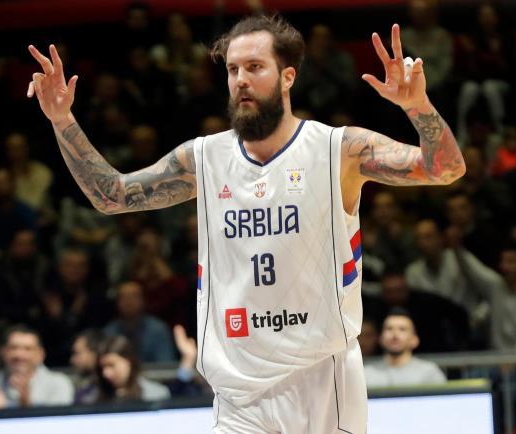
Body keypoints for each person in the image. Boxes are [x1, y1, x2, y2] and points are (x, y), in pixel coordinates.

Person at [27, 15, 464, 433]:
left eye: (255, 67)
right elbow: (111, 195)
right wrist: (62, 120)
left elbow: (445, 169)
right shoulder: (204, 157)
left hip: (321, 374)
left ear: (288, 76)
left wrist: (417, 106)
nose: (240, 79)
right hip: (237, 385)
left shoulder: (339, 149)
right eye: (233, 69)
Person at [0, 325, 73, 409]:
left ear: (41, 354)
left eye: (27, 349)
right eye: (13, 348)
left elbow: (56, 424)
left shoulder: (58, 384)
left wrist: (25, 406)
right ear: (3, 352)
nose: (19, 355)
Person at [364, 308, 446, 388]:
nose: (395, 335)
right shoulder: (365, 374)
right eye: (389, 329)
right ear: (381, 338)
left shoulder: (429, 373)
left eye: (402, 329)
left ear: (414, 340)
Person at [95, 335, 171, 403]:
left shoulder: (156, 395)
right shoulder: (94, 397)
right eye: (102, 367)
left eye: (111, 365)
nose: (106, 373)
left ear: (128, 360)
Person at [70, 329, 102, 405]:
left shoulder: (114, 390)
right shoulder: (82, 388)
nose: (72, 360)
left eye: (77, 353)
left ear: (94, 353)